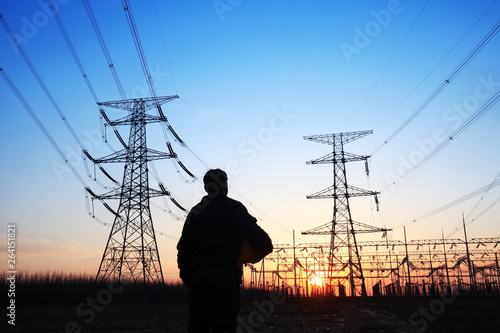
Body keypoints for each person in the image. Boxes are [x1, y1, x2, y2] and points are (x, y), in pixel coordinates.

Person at [177, 169, 273, 333]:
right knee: (224, 327)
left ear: (206, 187)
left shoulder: (195, 212)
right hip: (225, 282)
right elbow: (259, 238)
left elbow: (183, 249)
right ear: (225, 186)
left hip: (199, 283)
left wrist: (188, 278)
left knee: (197, 327)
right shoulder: (233, 209)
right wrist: (261, 249)